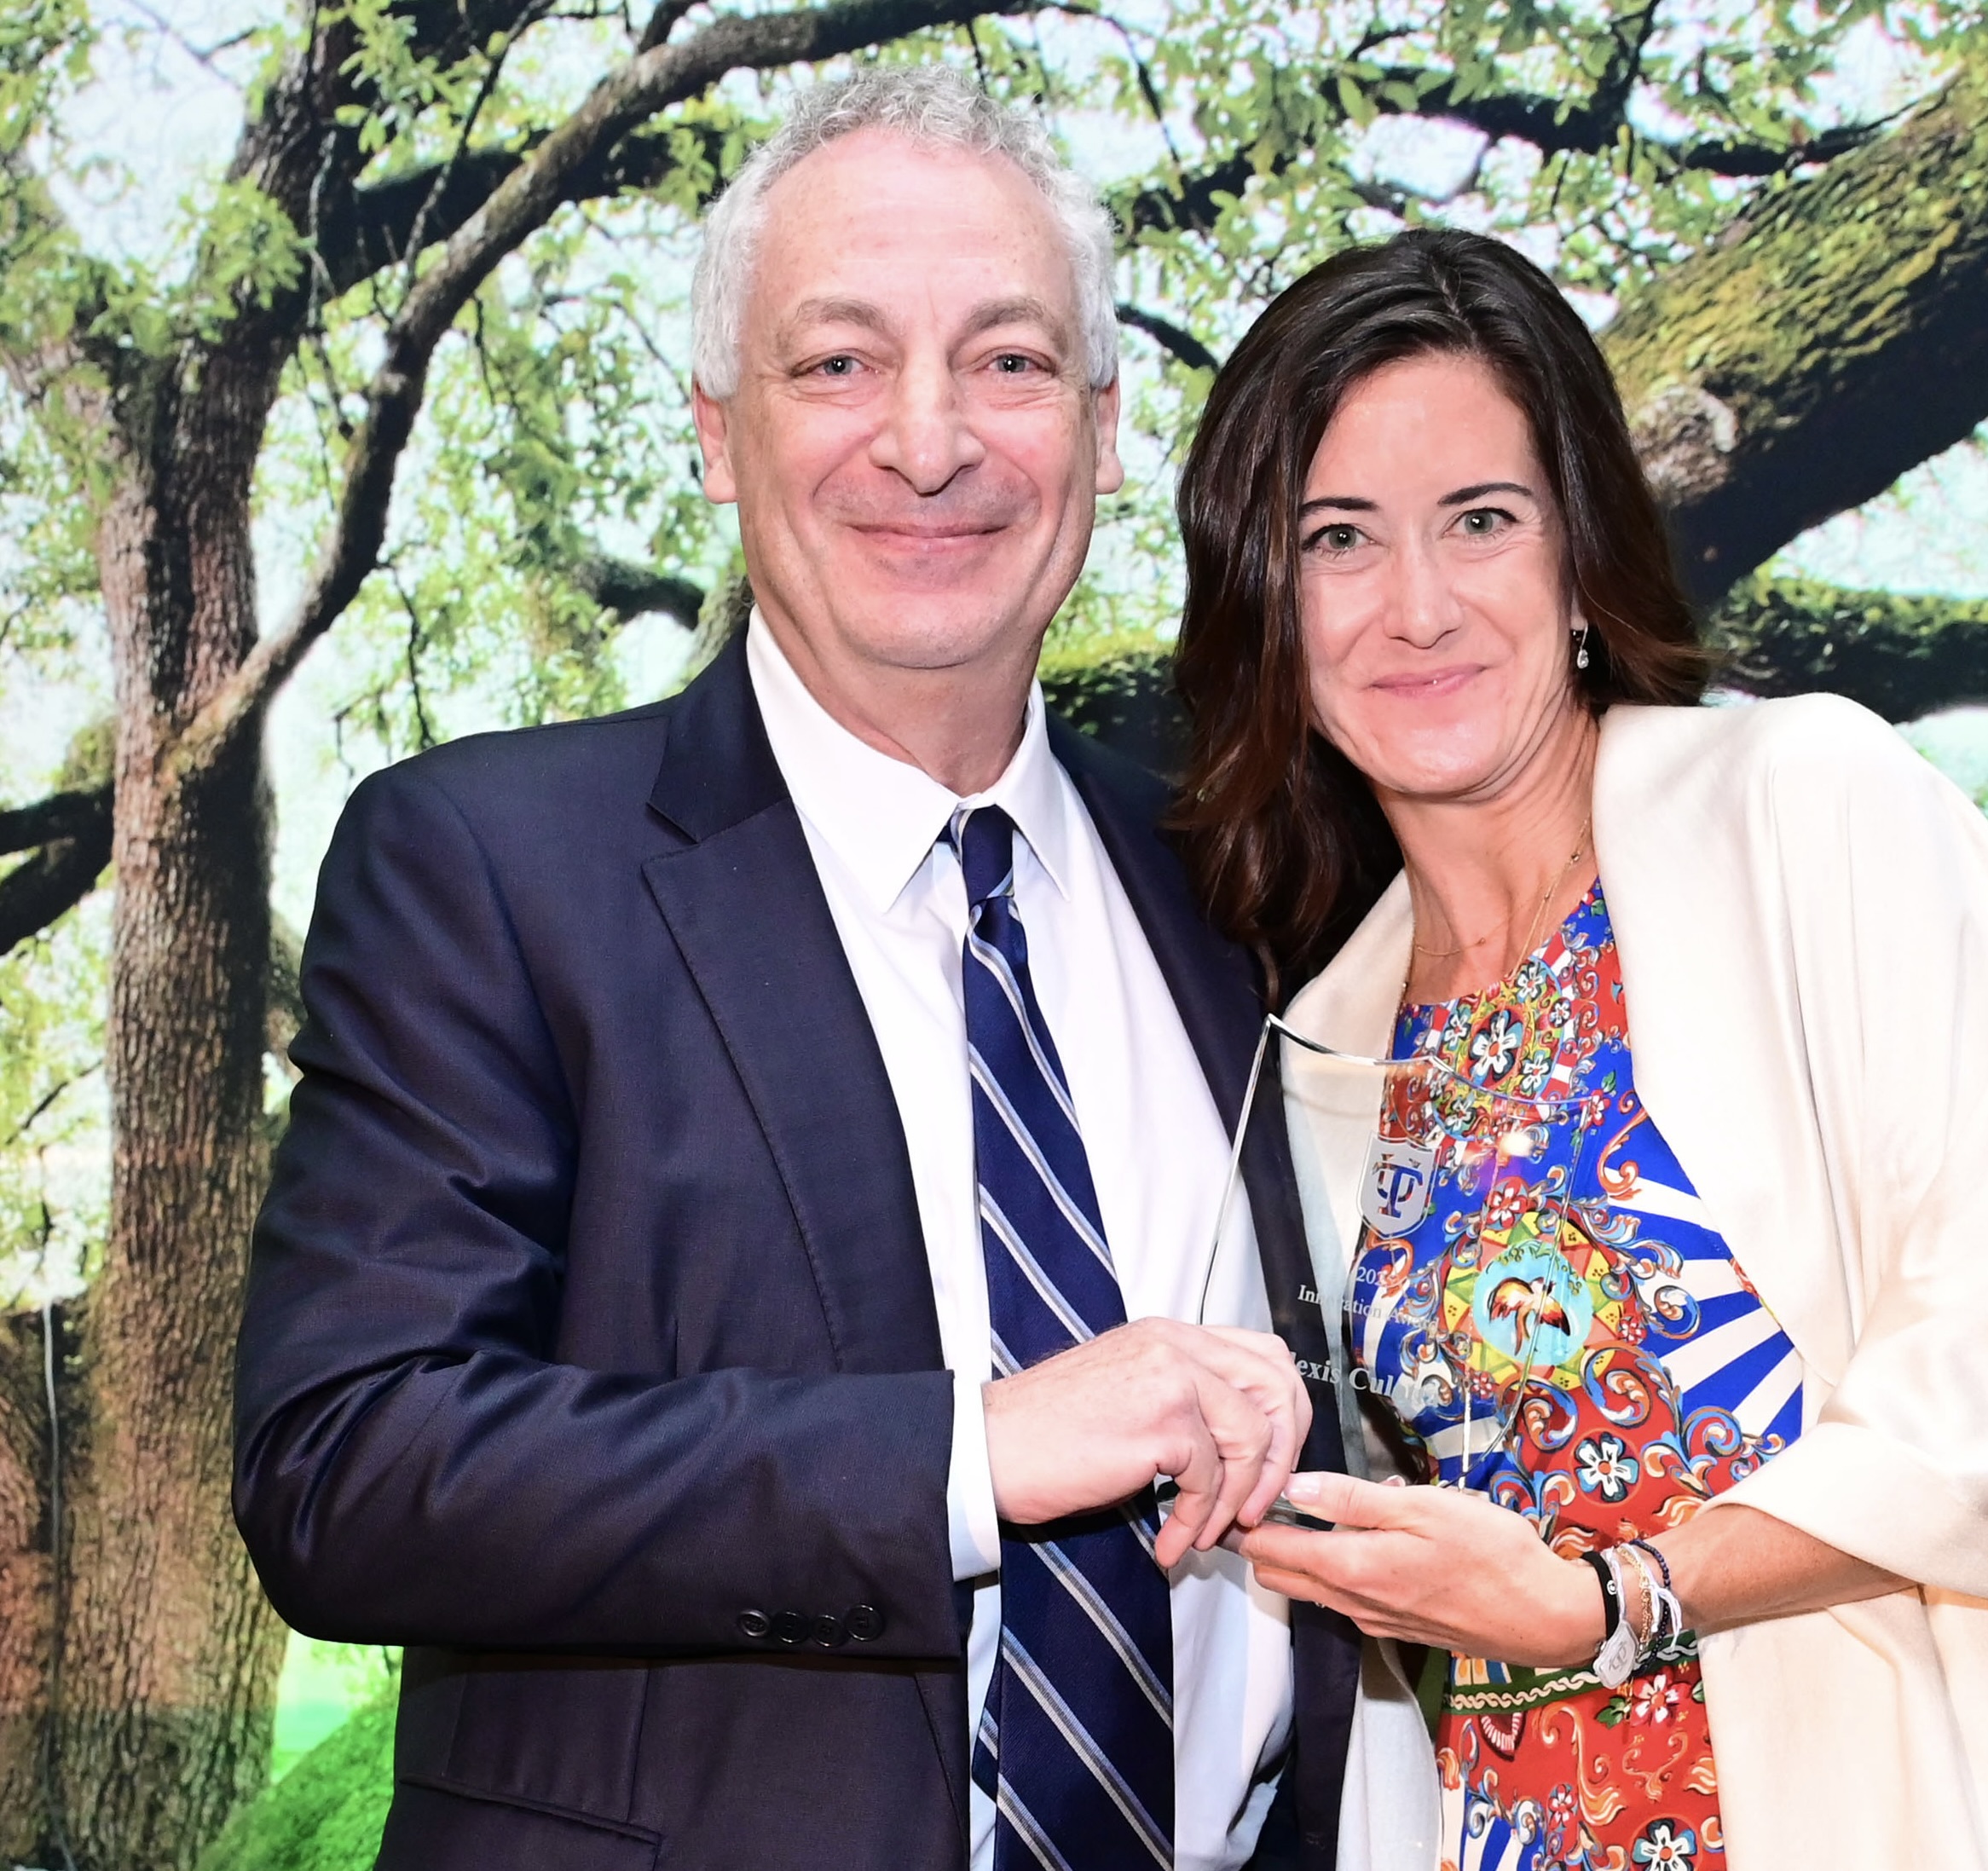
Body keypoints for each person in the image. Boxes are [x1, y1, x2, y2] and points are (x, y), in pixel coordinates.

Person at [234, 69, 1361, 1871]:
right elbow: (349, 1464)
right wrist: (968, 1461)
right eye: (838, 363)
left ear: (1104, 423)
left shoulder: (1242, 880)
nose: (930, 442)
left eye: (1006, 362)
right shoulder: (491, 865)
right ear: (712, 433)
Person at [1171, 229, 1988, 1871]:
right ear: (1268, 608)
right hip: (1513, 1829)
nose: (1415, 605)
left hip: (1886, 1800)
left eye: (1481, 522)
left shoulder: (1813, 813)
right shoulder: (1313, 1057)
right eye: (1338, 540)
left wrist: (1611, 1600)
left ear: (1580, 553)